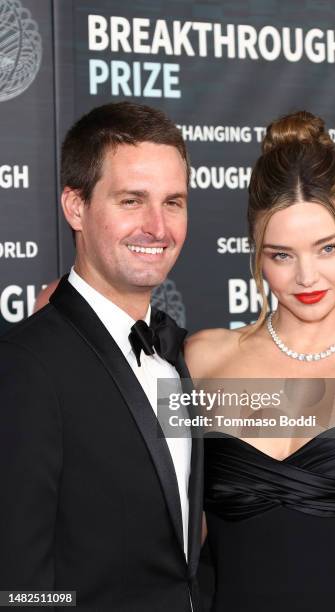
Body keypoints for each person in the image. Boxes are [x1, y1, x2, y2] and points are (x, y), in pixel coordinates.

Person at [185, 111, 335, 611]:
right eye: (281, 254)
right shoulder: (202, 360)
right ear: (255, 253)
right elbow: (169, 530)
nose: (307, 277)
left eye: (326, 248)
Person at [0, 102, 203, 610]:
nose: (158, 227)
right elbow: (18, 585)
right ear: (75, 207)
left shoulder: (179, 352)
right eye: (132, 200)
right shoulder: (26, 366)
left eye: (173, 202)